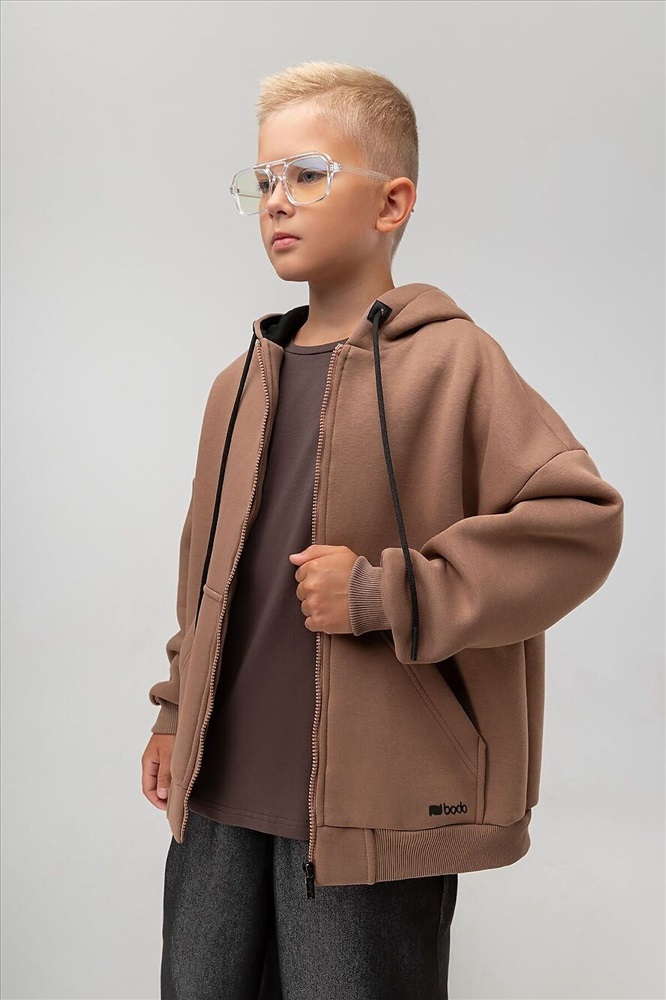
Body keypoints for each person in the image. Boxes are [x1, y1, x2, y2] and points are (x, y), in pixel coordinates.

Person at [140, 61, 624, 1000]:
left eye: (308, 173)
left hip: (371, 802)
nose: (278, 200)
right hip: (220, 787)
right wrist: (172, 711)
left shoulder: (453, 364)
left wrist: (385, 592)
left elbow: (579, 522)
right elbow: (205, 574)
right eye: (263, 179)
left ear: (393, 202)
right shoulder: (236, 386)